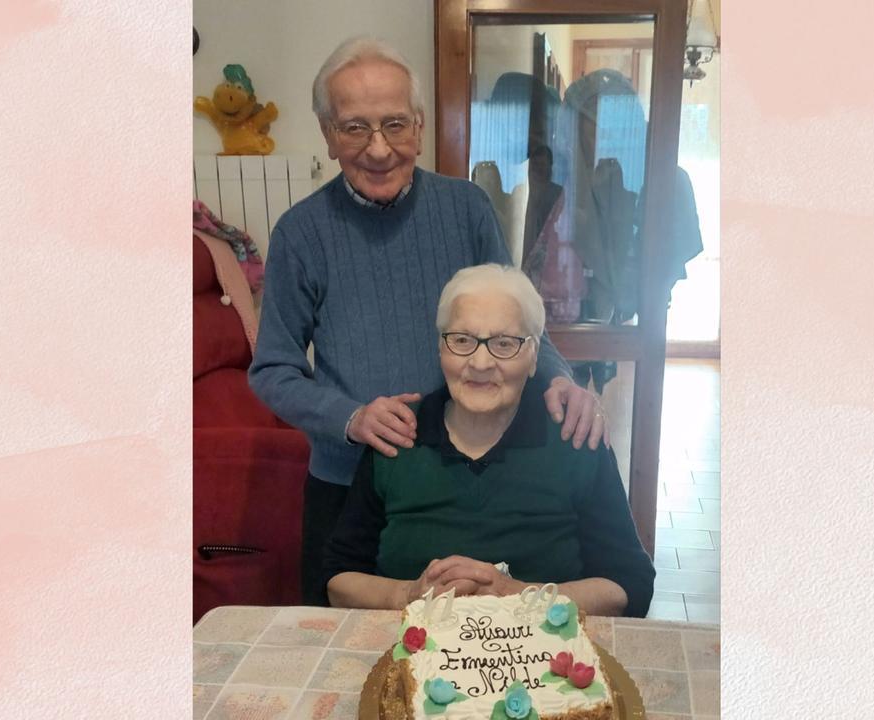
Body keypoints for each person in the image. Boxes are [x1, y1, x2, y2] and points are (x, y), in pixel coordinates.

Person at [248, 37, 610, 606]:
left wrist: (561, 379)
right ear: (327, 133)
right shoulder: (300, 232)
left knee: (477, 656)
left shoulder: (466, 208)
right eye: (354, 128)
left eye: (395, 124)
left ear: (419, 125)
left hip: (454, 482)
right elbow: (272, 369)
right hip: (349, 485)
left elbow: (516, 314)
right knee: (349, 656)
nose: (378, 148)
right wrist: (351, 417)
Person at [322, 264, 654, 617]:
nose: (480, 363)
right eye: (462, 340)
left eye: (504, 343)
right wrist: (408, 594)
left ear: (533, 356)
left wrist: (517, 596)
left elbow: (629, 585)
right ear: (440, 349)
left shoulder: (575, 438)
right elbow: (335, 577)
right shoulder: (396, 434)